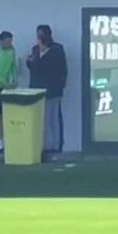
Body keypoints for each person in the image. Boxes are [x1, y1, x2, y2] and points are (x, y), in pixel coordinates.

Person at [26, 24, 67, 158]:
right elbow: (33, 67)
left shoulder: (57, 49)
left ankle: (55, 145)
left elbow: (57, 68)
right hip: (37, 90)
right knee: (41, 119)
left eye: (41, 35)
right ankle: (43, 145)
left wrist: (60, 86)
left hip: (53, 90)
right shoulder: (35, 49)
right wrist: (31, 60)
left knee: (53, 118)